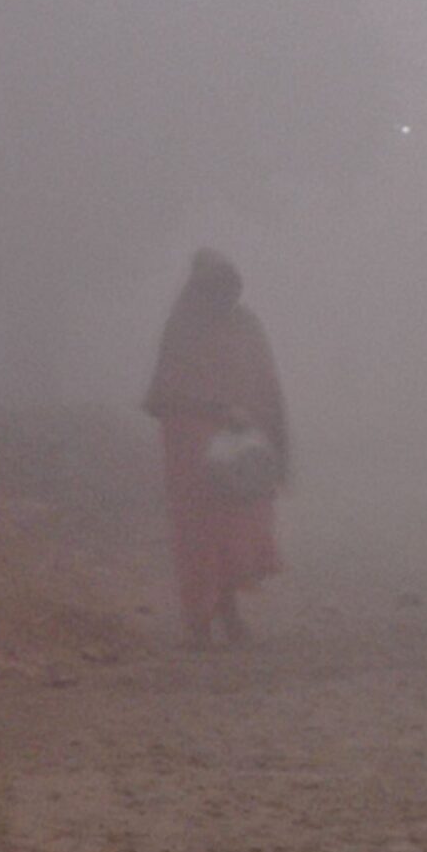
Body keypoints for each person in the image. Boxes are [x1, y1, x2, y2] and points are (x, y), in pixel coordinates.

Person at [143, 249, 288, 647]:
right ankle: (199, 621)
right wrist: (218, 408)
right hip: (191, 445)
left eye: (230, 290)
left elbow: (263, 383)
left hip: (239, 447)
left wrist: (254, 421)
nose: (225, 299)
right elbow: (173, 389)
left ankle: (228, 611)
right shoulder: (183, 327)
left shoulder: (245, 325)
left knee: (235, 529)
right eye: (216, 290)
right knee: (198, 533)